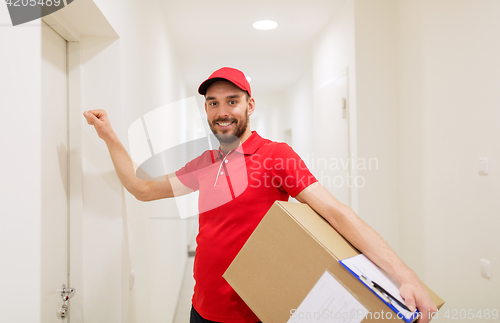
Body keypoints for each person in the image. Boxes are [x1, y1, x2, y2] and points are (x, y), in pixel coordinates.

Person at [84, 67, 437, 323]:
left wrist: (403, 275)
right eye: (213, 103)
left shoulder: (276, 155)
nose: (222, 112)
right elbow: (142, 189)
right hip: (202, 309)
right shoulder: (205, 163)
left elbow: (336, 213)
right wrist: (110, 136)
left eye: (232, 101)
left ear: (250, 106)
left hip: (255, 312)